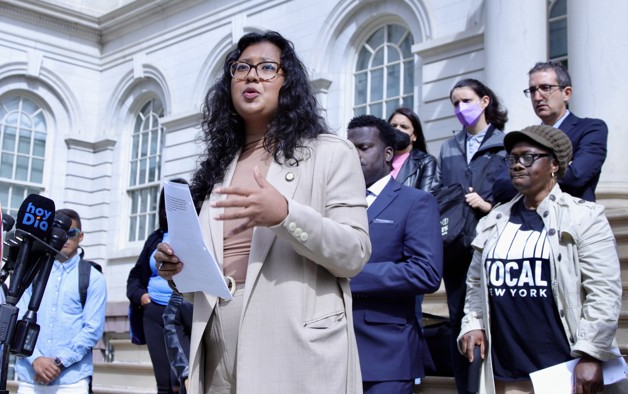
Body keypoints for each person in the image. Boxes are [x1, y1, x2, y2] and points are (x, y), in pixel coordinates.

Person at [154, 31, 371, 393]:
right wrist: (178, 271)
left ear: (289, 83)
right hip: (218, 348)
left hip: (294, 349)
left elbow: (354, 254)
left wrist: (285, 215)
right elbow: (210, 277)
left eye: (268, 67)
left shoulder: (331, 153)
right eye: (241, 68)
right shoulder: (217, 168)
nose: (252, 76)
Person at [459, 125, 623, 394]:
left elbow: (604, 292)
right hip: (504, 371)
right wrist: (473, 324)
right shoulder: (493, 221)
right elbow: (476, 283)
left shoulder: (584, 217)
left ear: (554, 165)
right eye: (512, 159)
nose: (517, 166)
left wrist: (592, 354)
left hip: (562, 370)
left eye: (527, 157)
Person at [347, 115, 443, 393]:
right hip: (332, 348)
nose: (355, 155)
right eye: (349, 148)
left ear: (388, 153)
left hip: (386, 354)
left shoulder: (416, 202)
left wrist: (349, 274)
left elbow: (425, 273)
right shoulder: (333, 203)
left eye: (363, 147)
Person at [439, 78, 514, 393]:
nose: (460, 108)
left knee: (497, 319)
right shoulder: (448, 146)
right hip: (457, 246)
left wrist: (487, 205)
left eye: (466, 101)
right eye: (455, 103)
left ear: (485, 101)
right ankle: (466, 387)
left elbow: (513, 191)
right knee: (460, 321)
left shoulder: (505, 143)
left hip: (494, 240)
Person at [15, 208, 106, 394]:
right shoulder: (31, 271)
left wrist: (57, 363)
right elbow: (18, 317)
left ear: (80, 237)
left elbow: (92, 329)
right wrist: (36, 359)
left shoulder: (93, 277)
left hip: (72, 381)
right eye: (58, 232)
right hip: (30, 377)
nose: (64, 238)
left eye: (71, 233)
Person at [127, 178, 191, 393]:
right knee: (164, 383)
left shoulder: (197, 233)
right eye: (168, 202)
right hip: (154, 313)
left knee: (184, 379)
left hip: (185, 313)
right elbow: (135, 276)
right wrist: (142, 298)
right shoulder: (155, 238)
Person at [525, 61, 607, 202]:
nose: (537, 97)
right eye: (532, 90)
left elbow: (576, 176)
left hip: (572, 219)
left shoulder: (591, 129)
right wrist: (554, 170)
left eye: (545, 88)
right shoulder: (525, 139)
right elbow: (501, 185)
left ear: (567, 93)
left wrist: (525, 176)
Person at [388, 107, 440, 193]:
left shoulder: (426, 162)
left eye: (404, 127)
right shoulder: (379, 160)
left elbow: (424, 197)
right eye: (393, 126)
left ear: (415, 136)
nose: (397, 129)